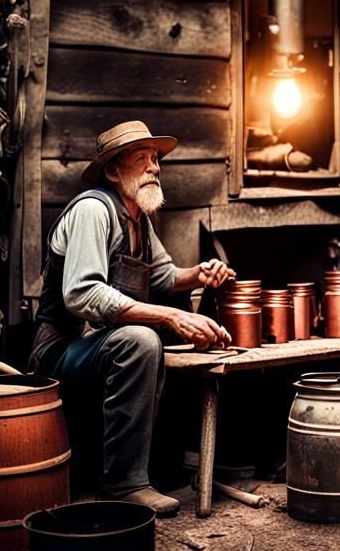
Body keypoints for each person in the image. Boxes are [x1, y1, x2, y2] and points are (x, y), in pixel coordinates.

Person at [29, 121, 234, 517]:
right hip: (60, 353)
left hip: (97, 346)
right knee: (141, 339)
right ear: (113, 170)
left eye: (155, 159)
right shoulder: (93, 210)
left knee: (159, 333)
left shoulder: (138, 217)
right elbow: (82, 293)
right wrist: (171, 316)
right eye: (142, 159)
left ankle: (166, 463)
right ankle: (123, 484)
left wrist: (199, 274)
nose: (154, 167)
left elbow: (162, 276)